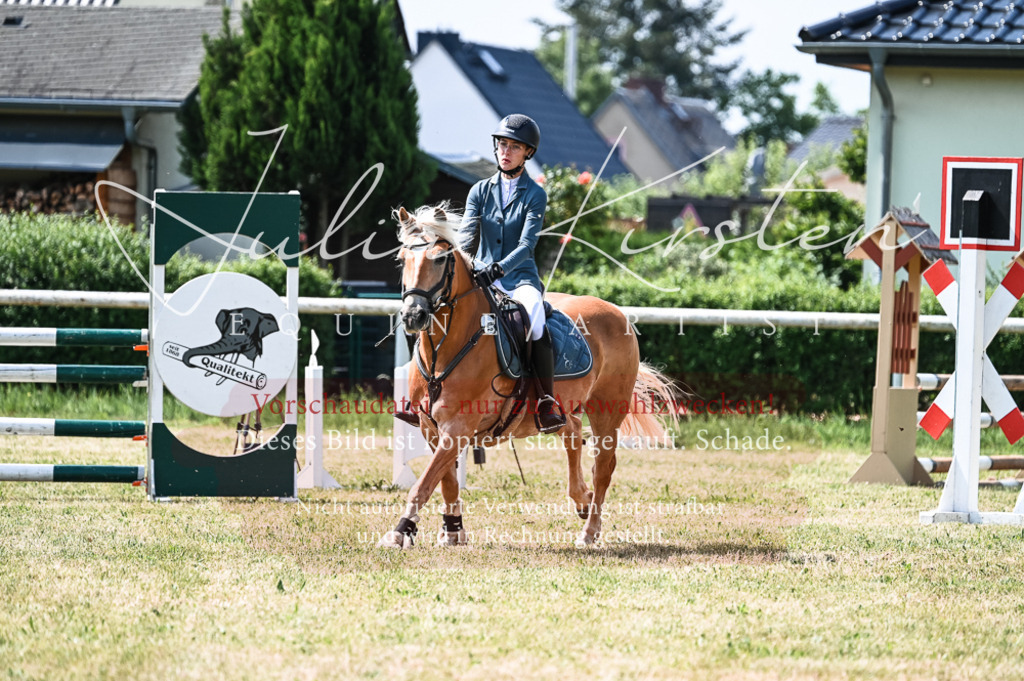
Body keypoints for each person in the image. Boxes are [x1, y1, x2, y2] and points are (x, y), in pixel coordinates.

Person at [462, 113, 565, 433]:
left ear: (528, 153)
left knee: (534, 317)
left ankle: (546, 400)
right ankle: (422, 394)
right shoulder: (479, 190)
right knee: (441, 309)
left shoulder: (535, 194)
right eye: (502, 145)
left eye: (514, 147)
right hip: (481, 275)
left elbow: (527, 244)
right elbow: (466, 237)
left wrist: (500, 268)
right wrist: (466, 265)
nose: (505, 151)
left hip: (518, 277)